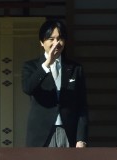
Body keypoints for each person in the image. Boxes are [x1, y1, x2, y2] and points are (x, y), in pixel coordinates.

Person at [22, 20, 88, 148]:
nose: (56, 43)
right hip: (41, 132)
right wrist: (47, 63)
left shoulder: (75, 68)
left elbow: (82, 105)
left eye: (60, 38)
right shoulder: (31, 66)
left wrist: (81, 138)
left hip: (68, 131)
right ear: (42, 42)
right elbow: (28, 88)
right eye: (51, 39)